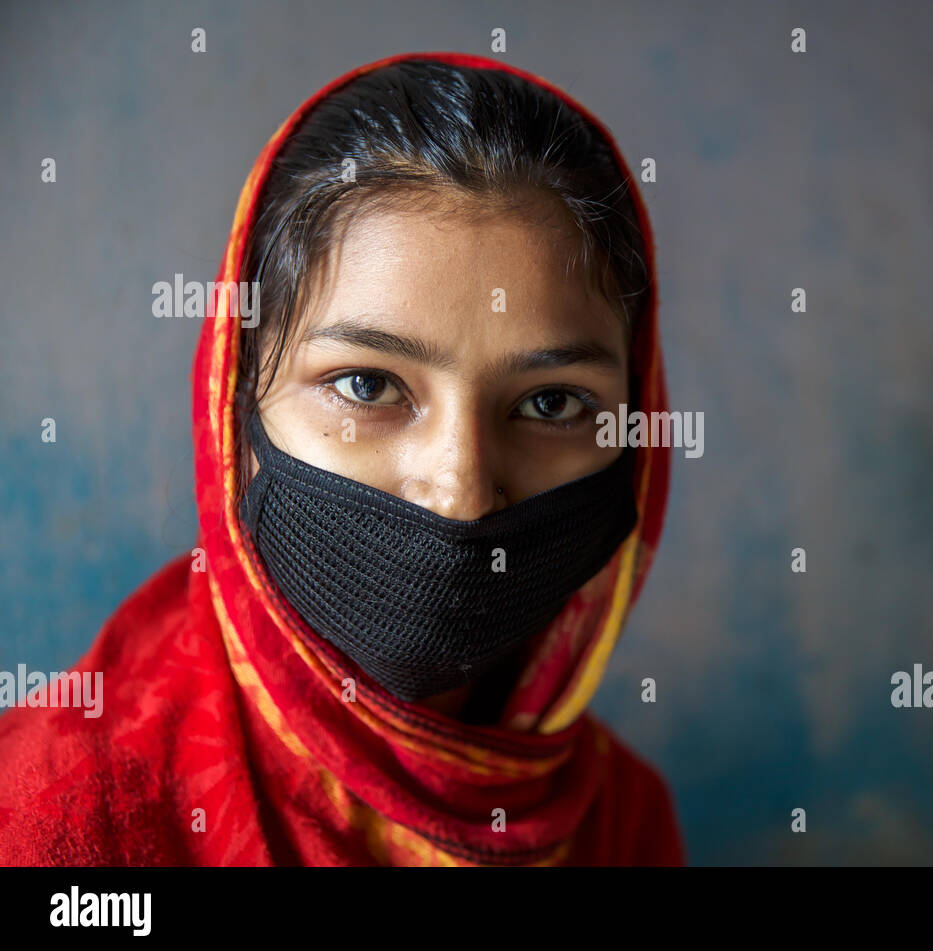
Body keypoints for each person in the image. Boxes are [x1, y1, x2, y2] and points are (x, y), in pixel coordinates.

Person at [0, 52, 683, 866]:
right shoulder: (57, 821)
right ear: (235, 407)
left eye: (551, 403)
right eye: (366, 384)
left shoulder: (621, 818)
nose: (460, 491)